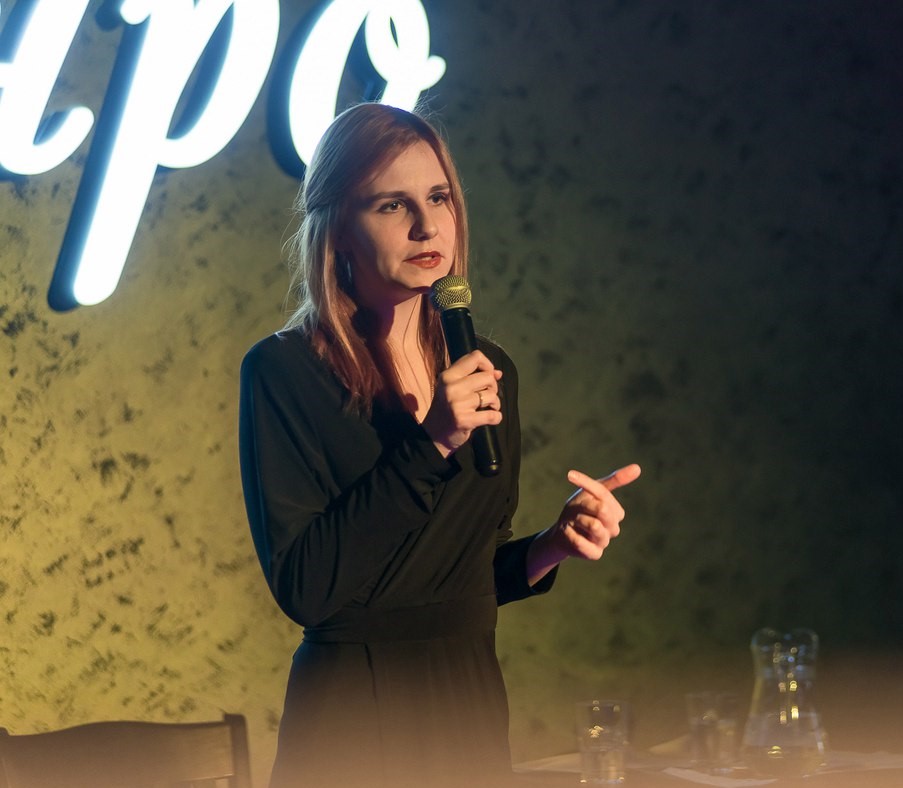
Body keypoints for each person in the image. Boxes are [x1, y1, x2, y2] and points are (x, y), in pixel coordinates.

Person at [238, 102, 641, 787]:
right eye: (393, 205)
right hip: (353, 718)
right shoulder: (284, 371)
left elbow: (460, 578)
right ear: (339, 229)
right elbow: (306, 588)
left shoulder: (488, 368)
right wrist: (431, 445)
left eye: (439, 197)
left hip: (468, 706)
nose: (427, 226)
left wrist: (553, 544)